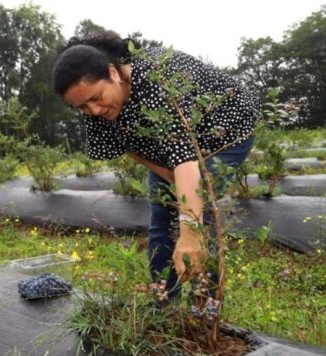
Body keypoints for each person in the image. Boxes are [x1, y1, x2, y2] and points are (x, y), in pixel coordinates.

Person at [51, 31, 259, 299]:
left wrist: (190, 231)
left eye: (96, 98)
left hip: (226, 131)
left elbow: (186, 161)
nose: (93, 111)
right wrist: (167, 174)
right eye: (81, 108)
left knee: (200, 215)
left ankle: (205, 313)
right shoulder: (95, 109)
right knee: (162, 219)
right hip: (172, 149)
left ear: (113, 73)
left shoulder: (156, 77)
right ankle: (164, 305)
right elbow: (128, 146)